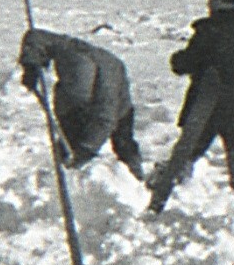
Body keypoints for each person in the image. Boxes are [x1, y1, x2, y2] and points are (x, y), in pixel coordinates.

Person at [146, 0, 234, 212]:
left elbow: (187, 62)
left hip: (207, 99)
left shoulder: (209, 29)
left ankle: (167, 193)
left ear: (215, 0)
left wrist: (178, 59)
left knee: (189, 147)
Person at [17, 28, 145, 178]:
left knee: (122, 141)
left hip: (117, 102)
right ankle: (60, 172)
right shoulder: (67, 48)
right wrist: (30, 64)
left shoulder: (106, 89)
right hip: (72, 101)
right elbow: (36, 36)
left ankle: (135, 178)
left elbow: (105, 121)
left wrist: (86, 149)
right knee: (69, 136)